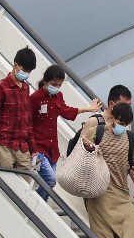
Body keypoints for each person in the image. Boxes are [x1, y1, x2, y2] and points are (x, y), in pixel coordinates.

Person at [81, 100, 134, 238]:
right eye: (120, 122)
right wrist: (87, 148)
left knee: (120, 237)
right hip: (98, 191)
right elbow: (80, 154)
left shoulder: (130, 139)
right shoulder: (97, 132)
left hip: (121, 193)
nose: (122, 127)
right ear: (112, 118)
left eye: (125, 125)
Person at [30, 65, 100, 200]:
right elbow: (26, 123)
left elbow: (66, 111)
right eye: (53, 84)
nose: (56, 87)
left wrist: (89, 109)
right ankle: (33, 203)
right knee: (50, 180)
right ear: (45, 81)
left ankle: (39, 206)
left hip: (52, 150)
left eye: (59, 85)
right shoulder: (35, 98)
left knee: (47, 184)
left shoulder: (58, 96)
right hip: (36, 150)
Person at [0, 47, 37, 168]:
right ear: (15, 64)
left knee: (26, 180)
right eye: (24, 70)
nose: (26, 74)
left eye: (29, 71)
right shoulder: (0, 87)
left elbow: (27, 120)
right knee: (8, 179)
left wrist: (33, 147)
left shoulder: (25, 88)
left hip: (21, 146)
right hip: (3, 144)